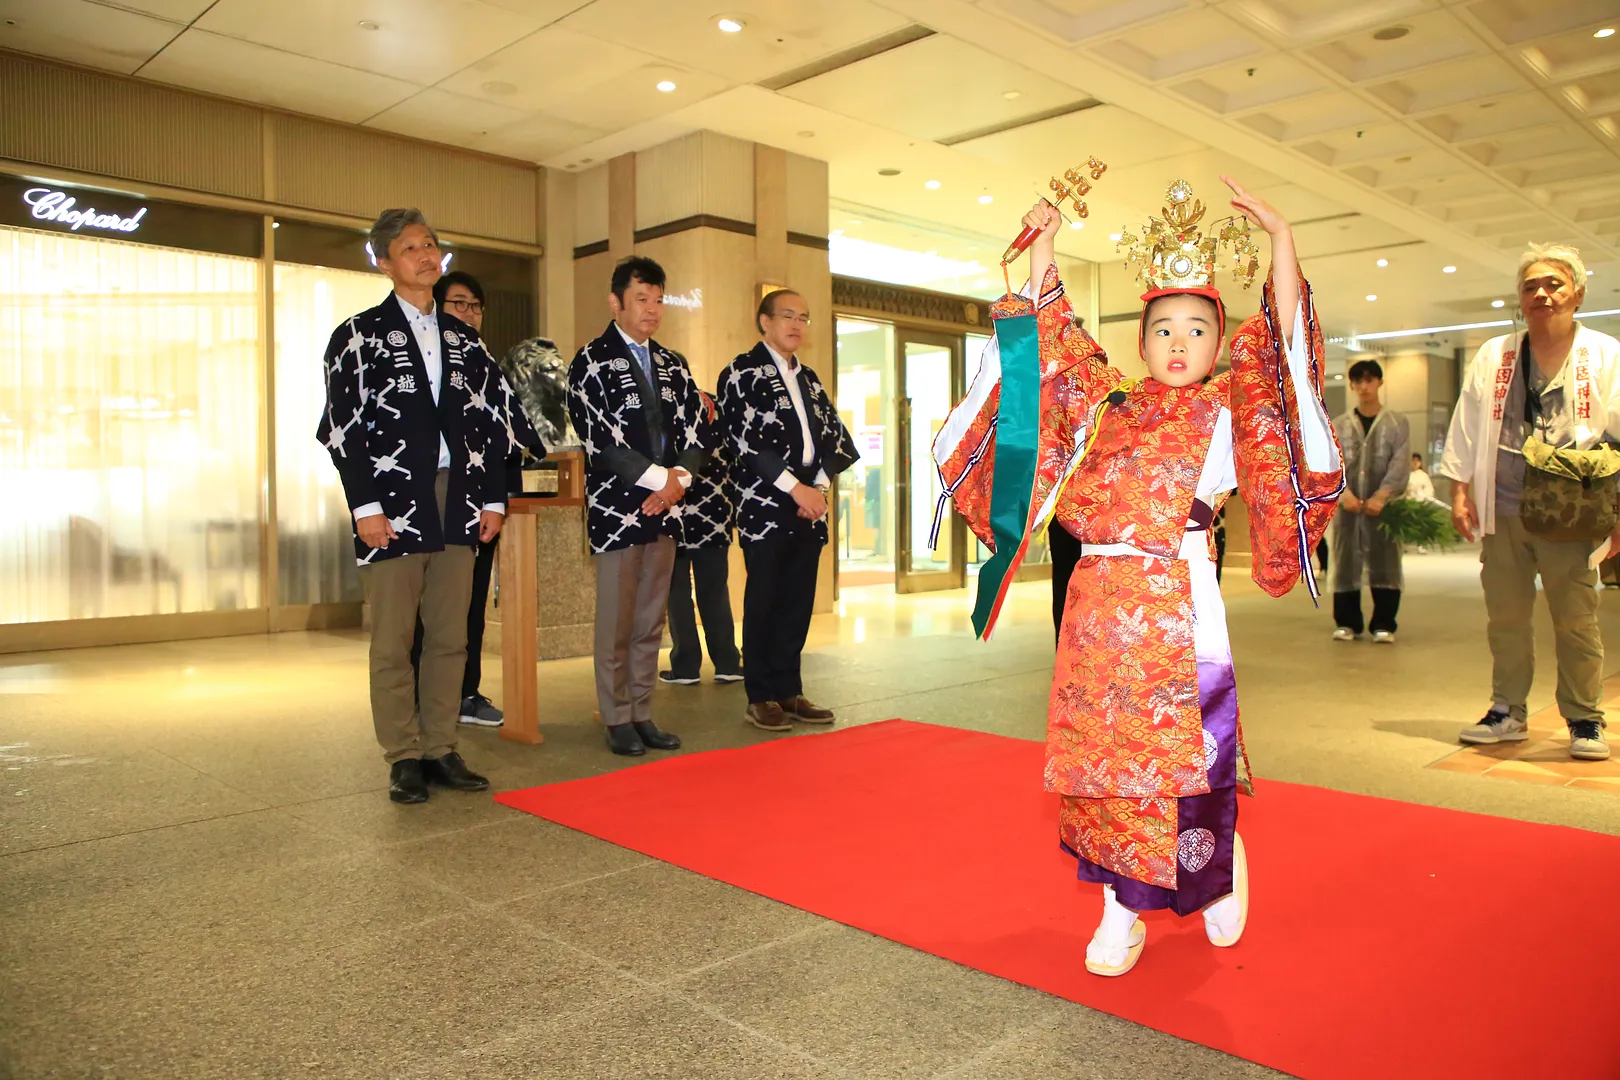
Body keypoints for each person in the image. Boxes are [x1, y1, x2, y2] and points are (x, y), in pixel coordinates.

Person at [934, 176, 1341, 977]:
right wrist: (1046, 245)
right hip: (1096, 611)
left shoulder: (1231, 413)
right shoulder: (1105, 404)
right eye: (1163, 329)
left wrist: (1282, 239)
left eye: (1198, 328)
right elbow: (1054, 347)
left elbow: (1287, 352)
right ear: (1143, 339)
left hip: (1180, 603)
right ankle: (1120, 910)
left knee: (1189, 753)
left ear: (1218, 342)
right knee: (1106, 767)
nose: (1179, 343)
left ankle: (1211, 875)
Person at [317, 209, 535, 804]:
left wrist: (494, 497)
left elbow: (493, 424)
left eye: (431, 244)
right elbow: (342, 429)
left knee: (450, 633)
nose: (425, 255)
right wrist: (364, 506)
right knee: (393, 637)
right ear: (384, 262)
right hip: (391, 500)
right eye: (410, 247)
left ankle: (440, 745)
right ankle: (403, 755)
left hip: (459, 498)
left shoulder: (466, 339)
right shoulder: (357, 335)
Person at [1441, 243, 1617, 762]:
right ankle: (1507, 710)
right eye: (1530, 286)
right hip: (1504, 505)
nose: (1541, 294)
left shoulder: (1605, 354)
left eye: (1554, 284)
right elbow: (1467, 422)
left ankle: (1585, 717)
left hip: (1574, 511)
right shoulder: (1495, 354)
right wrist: (1459, 490)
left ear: (1578, 294)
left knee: (1576, 618)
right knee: (1507, 616)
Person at [567, 256, 705, 756]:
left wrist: (676, 482)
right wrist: (658, 480)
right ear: (616, 302)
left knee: (650, 620)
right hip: (618, 508)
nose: (652, 309)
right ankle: (616, 716)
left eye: (658, 300)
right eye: (641, 298)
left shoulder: (673, 363)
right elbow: (599, 438)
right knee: (617, 621)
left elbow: (696, 430)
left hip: (667, 508)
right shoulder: (591, 361)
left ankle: (643, 711)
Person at [408, 270, 545, 727]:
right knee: (426, 607)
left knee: (471, 604)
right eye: (458, 304)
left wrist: (500, 499)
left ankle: (465, 693)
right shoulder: (423, 366)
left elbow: (505, 437)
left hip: (479, 505)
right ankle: (422, 696)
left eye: (475, 306)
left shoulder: (485, 366)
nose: (468, 314)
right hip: (426, 502)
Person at [717, 289, 857, 732]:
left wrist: (817, 489)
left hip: (809, 504)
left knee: (798, 601)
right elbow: (744, 441)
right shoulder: (741, 372)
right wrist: (796, 489)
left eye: (804, 317)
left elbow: (836, 439)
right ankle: (760, 695)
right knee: (765, 599)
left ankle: (788, 690)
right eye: (787, 316)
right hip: (766, 503)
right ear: (765, 321)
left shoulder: (809, 378)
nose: (796, 325)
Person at [659, 380, 744, 686]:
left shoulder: (664, 406)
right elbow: (735, 455)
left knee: (677, 591)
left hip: (675, 509)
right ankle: (727, 663)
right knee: (715, 589)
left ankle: (685, 666)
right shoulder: (714, 405)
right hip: (715, 512)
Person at [1330, 360, 1410, 643]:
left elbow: (1400, 463)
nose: (1364, 387)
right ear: (1351, 385)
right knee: (1345, 561)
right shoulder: (1338, 425)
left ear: (1379, 383)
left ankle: (1384, 623)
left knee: (1386, 561)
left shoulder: (1397, 423)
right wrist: (1344, 494)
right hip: (1348, 508)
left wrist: (1382, 495)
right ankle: (1347, 622)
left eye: (1369, 380)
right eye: (1358, 381)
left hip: (1384, 509)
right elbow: (1331, 464)